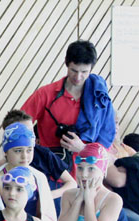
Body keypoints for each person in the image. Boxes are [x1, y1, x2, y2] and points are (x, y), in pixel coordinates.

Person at [21, 40, 116, 173]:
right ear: (66, 63)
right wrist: (30, 146)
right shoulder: (45, 94)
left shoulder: (100, 99)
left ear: (91, 68)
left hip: (86, 172)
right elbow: (18, 123)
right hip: (50, 168)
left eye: (84, 72)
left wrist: (83, 149)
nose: (78, 77)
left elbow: (106, 141)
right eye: (74, 70)